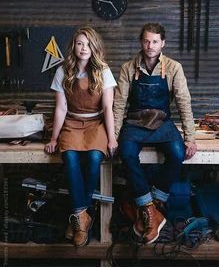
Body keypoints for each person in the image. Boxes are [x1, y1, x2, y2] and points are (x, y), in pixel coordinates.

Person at [113, 22, 197, 245]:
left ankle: (156, 202)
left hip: (162, 122)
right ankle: (148, 207)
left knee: (178, 153)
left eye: (155, 41)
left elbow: (184, 102)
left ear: (163, 44)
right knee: (127, 153)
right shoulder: (128, 68)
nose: (150, 46)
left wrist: (190, 137)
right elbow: (119, 104)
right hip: (135, 121)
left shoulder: (173, 67)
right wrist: (113, 136)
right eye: (146, 41)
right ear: (141, 42)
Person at [44, 27, 117, 247]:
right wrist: (54, 139)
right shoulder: (62, 71)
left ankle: (77, 218)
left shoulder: (104, 71)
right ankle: (82, 217)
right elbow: (60, 108)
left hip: (95, 123)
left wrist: (112, 138)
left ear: (94, 47)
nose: (83, 48)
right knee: (70, 158)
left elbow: (108, 108)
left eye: (88, 44)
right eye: (79, 43)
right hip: (71, 123)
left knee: (95, 159)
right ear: (73, 46)